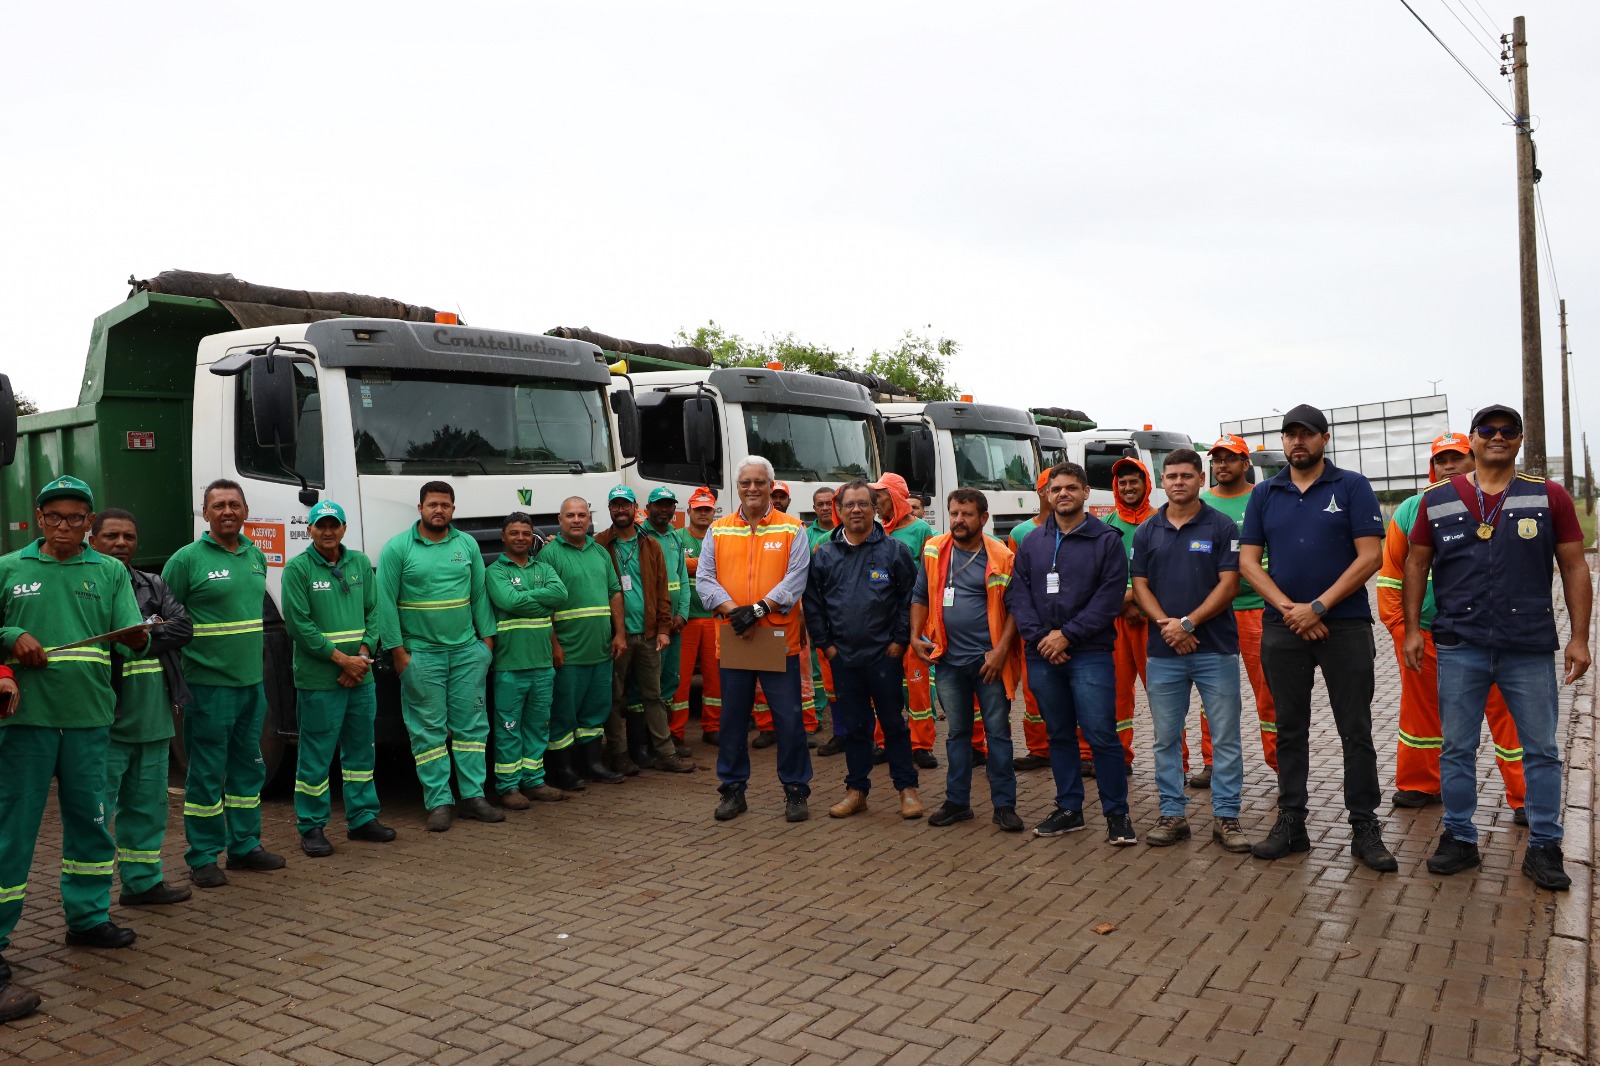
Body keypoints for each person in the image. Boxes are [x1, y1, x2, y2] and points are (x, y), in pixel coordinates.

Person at [1407, 405, 1591, 890]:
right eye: (1487, 430)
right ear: (1471, 439)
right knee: (1456, 748)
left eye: (1508, 431)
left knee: (1543, 752)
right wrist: (1410, 630)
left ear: (1520, 439)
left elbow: (1575, 567)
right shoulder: (1438, 500)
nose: (1497, 437)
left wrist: (1580, 637)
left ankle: (1546, 847)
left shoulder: (1548, 495)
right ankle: (1460, 838)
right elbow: (1414, 566)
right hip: (1459, 643)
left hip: (1527, 646)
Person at [0, 476, 151, 1024]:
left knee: (91, 823)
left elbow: (132, 634)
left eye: (76, 518)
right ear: (39, 518)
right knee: (13, 830)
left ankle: (87, 921)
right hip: (27, 724)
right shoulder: (9, 569)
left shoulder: (109, 572)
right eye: (55, 516)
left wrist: (138, 636)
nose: (65, 526)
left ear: (89, 523)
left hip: (89, 720)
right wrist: (10, 635)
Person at [1239, 404, 1394, 871]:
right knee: (1289, 729)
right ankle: (1292, 823)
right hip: (1284, 627)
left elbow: (1371, 556)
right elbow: (1248, 562)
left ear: (1324, 439)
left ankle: (1365, 827)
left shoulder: (1351, 486)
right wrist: (1291, 610)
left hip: (1344, 625)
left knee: (1356, 730)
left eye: (1306, 434)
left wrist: (1319, 606)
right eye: (1289, 435)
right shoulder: (1266, 492)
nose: (1297, 442)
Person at [1377, 434, 1525, 818]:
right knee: (1420, 714)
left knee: (1507, 714)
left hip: (1491, 633)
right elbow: (1391, 577)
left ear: (1473, 458)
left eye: (1455, 458)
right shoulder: (1411, 510)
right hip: (1424, 633)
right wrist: (1399, 628)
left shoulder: (1496, 502)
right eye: (1440, 459)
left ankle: (1524, 796)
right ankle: (1420, 783)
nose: (1447, 466)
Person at [164, 479, 286, 884]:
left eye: (235, 504)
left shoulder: (255, 556)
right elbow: (167, 623)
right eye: (218, 505)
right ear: (206, 513)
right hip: (208, 688)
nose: (228, 511)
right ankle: (202, 856)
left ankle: (245, 846)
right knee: (205, 773)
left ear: (246, 510)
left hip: (252, 686)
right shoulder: (186, 561)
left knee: (248, 769)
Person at [1130, 450, 1252, 852]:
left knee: (1226, 736)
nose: (1178, 482)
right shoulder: (1148, 530)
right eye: (1171, 476)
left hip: (1214, 649)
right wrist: (1169, 625)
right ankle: (1172, 815)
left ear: (1201, 479)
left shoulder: (1220, 526)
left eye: (1186, 475)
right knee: (1166, 738)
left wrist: (1189, 623)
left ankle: (1227, 817)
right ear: (1161, 482)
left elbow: (1229, 584)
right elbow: (1140, 587)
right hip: (1163, 653)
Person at [1008, 463, 1136, 845]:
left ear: (1085, 494)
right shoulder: (1032, 542)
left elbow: (1109, 596)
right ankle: (1069, 809)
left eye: (1070, 488)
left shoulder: (1107, 540)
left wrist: (1067, 636)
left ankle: (1117, 815)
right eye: (1055, 489)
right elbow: (1018, 592)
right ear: (1047, 496)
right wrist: (1043, 638)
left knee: (1101, 735)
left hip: (1090, 653)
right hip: (1042, 653)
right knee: (1059, 734)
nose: (1063, 494)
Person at [376, 481, 502, 833]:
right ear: (420, 508)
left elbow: (478, 596)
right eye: (432, 504)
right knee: (429, 733)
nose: (439, 510)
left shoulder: (467, 545)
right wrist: (398, 653)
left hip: (466, 654)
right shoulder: (398, 549)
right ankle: (439, 802)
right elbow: (385, 603)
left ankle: (474, 797)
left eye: (445, 505)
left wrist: (486, 645)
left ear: (453, 509)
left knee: (472, 729)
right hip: (421, 656)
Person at [697, 456, 813, 822]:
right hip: (735, 638)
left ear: (771, 486)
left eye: (759, 482)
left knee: (789, 720)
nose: (752, 488)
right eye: (745, 482)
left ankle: (796, 791)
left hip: (778, 639)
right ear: (737, 487)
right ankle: (732, 791)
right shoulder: (718, 530)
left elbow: (796, 579)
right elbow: (705, 580)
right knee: (732, 720)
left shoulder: (793, 529)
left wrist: (758, 610)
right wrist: (736, 612)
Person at [88, 508, 194, 906]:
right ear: (92, 538)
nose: (120, 544)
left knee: (148, 809)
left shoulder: (152, 582)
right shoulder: (86, 586)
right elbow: (93, 638)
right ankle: (91, 906)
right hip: (107, 722)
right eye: (111, 536)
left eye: (129, 537)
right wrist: (147, 629)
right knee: (98, 816)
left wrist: (140, 636)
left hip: (154, 719)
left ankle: (142, 883)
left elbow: (184, 628)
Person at [281, 500, 395, 854]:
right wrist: (341, 660)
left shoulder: (359, 563)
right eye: (321, 525)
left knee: (362, 750)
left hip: (361, 676)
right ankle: (311, 827)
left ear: (344, 528)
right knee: (315, 754)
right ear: (309, 529)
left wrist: (361, 656)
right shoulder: (298, 569)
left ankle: (362, 819)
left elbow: (375, 611)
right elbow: (299, 625)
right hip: (320, 679)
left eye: (334, 524)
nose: (328, 531)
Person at [804, 480, 922, 820]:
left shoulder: (894, 552)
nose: (856, 510)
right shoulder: (824, 554)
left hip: (884, 656)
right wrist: (826, 646)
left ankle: (907, 790)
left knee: (893, 725)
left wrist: (899, 642)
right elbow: (813, 605)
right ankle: (856, 791)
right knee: (855, 728)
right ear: (839, 511)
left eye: (863, 504)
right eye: (850, 505)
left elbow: (909, 599)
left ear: (875, 509)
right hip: (843, 657)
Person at [913, 489, 1025, 832]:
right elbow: (919, 595)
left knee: (998, 735)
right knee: (957, 734)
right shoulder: (934, 549)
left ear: (983, 518)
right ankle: (957, 802)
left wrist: (1000, 653)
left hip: (988, 663)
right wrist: (915, 636)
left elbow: (1015, 610)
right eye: (954, 513)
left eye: (967, 514)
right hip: (947, 660)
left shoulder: (1002, 557)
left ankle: (1004, 806)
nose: (959, 520)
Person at [1192, 434, 1280, 786]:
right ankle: (1213, 762)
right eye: (1217, 459)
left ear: (1247, 464)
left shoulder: (1263, 499)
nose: (1222, 465)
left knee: (1270, 692)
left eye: (1231, 458)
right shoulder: (1200, 504)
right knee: (1212, 694)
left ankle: (1279, 765)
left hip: (1258, 609)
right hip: (1214, 613)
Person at [597, 485, 694, 774]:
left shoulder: (649, 543)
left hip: (649, 634)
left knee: (654, 696)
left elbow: (662, 589)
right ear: (610, 509)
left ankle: (665, 753)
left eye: (625, 505)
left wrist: (663, 629)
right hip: (617, 636)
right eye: (615, 505)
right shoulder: (601, 544)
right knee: (615, 698)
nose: (620, 510)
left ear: (634, 507)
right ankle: (619, 753)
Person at [486, 513, 571, 807]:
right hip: (510, 666)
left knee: (538, 726)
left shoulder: (543, 567)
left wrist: (525, 598)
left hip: (542, 665)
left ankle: (534, 782)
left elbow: (560, 594)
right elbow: (507, 601)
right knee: (509, 728)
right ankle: (508, 787)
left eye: (525, 532)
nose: (520, 538)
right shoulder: (494, 571)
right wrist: (539, 600)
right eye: (514, 533)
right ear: (503, 537)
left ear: (532, 536)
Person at [542, 496, 626, 787]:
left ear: (589, 519)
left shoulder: (599, 552)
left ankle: (592, 764)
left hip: (600, 650)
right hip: (569, 652)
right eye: (571, 515)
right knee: (564, 714)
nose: (577, 520)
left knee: (595, 711)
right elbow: (544, 606)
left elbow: (614, 593)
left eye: (582, 515)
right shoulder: (549, 555)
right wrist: (554, 644)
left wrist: (619, 634)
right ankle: (563, 771)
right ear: (560, 519)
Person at [870, 472, 939, 769]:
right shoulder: (876, 531)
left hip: (913, 619)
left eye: (880, 497)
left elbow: (930, 578)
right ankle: (884, 741)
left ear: (895, 498)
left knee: (918, 685)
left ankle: (921, 745)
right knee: (882, 686)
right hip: (880, 620)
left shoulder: (922, 530)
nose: (875, 503)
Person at [1100, 456, 1154, 772]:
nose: (1128, 487)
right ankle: (1119, 759)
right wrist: (1126, 604)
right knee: (1116, 696)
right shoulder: (1106, 526)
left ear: (1145, 484)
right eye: (1122, 482)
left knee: (1163, 697)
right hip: (1114, 622)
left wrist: (1134, 601)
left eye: (1134, 481)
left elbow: (1168, 574)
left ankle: (1178, 763)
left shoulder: (1161, 521)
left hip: (1152, 622)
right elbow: (1096, 576)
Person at [1006, 471, 1057, 770]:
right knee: (1033, 691)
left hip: (1068, 626)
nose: (1057, 493)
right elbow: (1016, 583)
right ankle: (1039, 749)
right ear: (1040, 493)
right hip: (1033, 626)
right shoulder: (1020, 533)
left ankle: (1082, 749)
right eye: (1050, 488)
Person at [638, 487, 693, 759]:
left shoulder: (675, 537)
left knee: (671, 679)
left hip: (675, 624)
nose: (664, 510)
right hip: (652, 624)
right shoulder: (639, 536)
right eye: (659, 505)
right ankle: (645, 741)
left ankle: (667, 735)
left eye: (669, 506)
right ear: (648, 508)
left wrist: (682, 614)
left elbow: (682, 579)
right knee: (648, 683)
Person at [671, 487, 721, 747]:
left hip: (715, 618)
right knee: (681, 679)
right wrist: (708, 565)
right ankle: (676, 732)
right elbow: (676, 565)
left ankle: (712, 727)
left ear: (714, 512)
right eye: (698, 509)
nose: (703, 514)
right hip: (687, 619)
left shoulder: (720, 536)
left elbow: (724, 568)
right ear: (688, 511)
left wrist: (694, 564)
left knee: (715, 679)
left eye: (708, 509)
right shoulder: (676, 537)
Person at [806, 486, 842, 758]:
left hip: (856, 624)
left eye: (831, 503)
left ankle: (867, 735)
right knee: (829, 681)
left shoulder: (864, 537)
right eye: (821, 503)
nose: (826, 507)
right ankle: (841, 732)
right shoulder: (817, 540)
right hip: (828, 621)